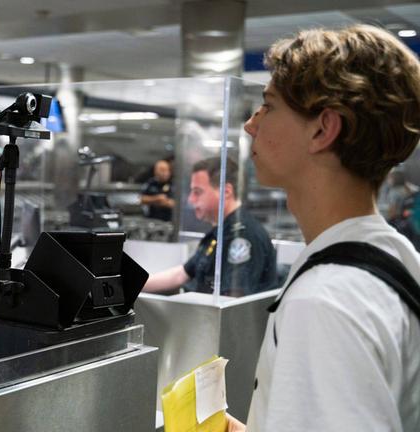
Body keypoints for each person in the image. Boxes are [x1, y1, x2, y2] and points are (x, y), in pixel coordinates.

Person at [231, 25, 420, 431]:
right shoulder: (395, 258)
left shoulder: (326, 302)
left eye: (269, 106)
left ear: (322, 129)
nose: (251, 124)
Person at [143, 157, 277, 296]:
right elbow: (182, 274)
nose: (190, 199)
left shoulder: (242, 236)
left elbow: (231, 302)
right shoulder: (219, 231)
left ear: (226, 192)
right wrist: (134, 286)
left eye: (197, 192)